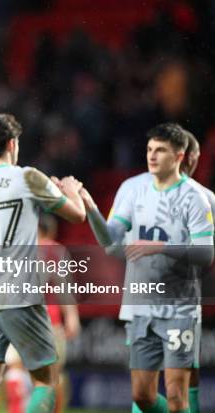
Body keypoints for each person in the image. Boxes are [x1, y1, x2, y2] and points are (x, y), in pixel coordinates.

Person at [81, 123, 214, 413]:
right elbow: (112, 245)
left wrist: (162, 248)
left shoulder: (199, 197)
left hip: (180, 309)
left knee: (178, 392)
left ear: (180, 156)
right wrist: (90, 208)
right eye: (149, 149)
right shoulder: (132, 188)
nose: (152, 155)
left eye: (160, 150)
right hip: (140, 307)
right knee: (142, 395)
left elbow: (206, 253)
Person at [0, 113, 86, 413]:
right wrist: (71, 191)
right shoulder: (28, 176)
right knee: (47, 381)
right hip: (19, 294)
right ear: (12, 143)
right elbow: (77, 215)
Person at [3, 215, 81, 413]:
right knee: (51, 376)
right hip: (48, 320)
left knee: (15, 369)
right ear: (52, 231)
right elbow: (64, 289)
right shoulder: (55, 250)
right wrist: (72, 317)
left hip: (18, 318)